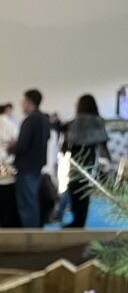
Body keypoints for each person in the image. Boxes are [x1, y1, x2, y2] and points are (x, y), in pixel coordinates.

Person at [63, 94, 109, 228]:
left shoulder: (77, 122)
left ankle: (77, 221)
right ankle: (80, 221)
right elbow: (102, 140)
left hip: (77, 159)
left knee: (74, 189)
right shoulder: (98, 121)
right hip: (90, 158)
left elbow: (70, 141)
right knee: (83, 190)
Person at [8, 89, 50, 229]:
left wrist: (11, 146)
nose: (22, 104)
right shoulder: (43, 118)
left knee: (27, 204)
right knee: (32, 200)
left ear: (29, 102)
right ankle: (34, 231)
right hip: (37, 165)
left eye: (23, 101)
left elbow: (22, 145)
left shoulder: (30, 120)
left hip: (26, 166)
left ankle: (30, 235)